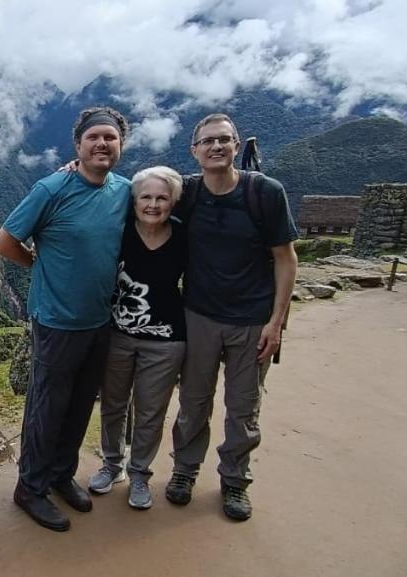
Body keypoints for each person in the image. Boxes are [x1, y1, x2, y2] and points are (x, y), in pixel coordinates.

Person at [0, 106, 132, 532]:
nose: (102, 144)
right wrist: (39, 264)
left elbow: (170, 196)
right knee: (46, 408)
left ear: (121, 146)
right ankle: (30, 487)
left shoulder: (126, 190)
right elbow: (4, 242)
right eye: (94, 138)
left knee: (77, 408)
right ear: (78, 146)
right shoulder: (51, 188)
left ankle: (59, 474)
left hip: (99, 320)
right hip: (55, 321)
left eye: (110, 137)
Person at [166, 113, 298, 521]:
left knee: (243, 407)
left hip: (252, 320)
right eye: (207, 141)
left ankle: (235, 482)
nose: (216, 147)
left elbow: (285, 259)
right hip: (200, 315)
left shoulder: (265, 193)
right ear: (194, 150)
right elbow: (138, 195)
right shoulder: (186, 193)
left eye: (224, 140)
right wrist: (74, 169)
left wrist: (276, 322)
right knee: (193, 402)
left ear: (237, 146)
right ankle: (184, 471)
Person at [86, 166, 188, 510]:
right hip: (117, 335)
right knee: (113, 404)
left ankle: (140, 473)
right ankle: (111, 464)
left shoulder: (185, 237)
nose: (154, 205)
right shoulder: (120, 233)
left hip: (166, 339)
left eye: (162, 198)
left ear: (173, 202)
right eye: (146, 197)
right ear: (134, 201)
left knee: (150, 411)